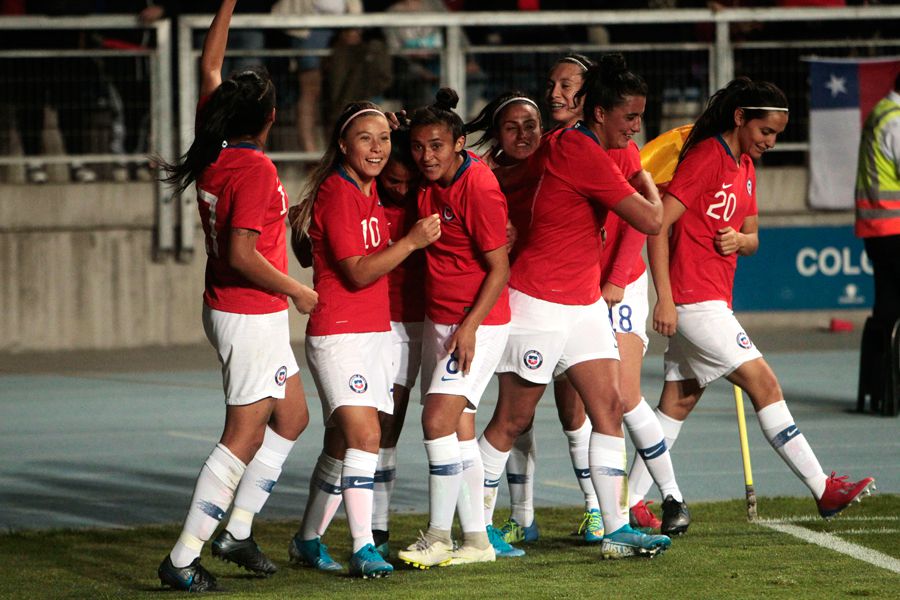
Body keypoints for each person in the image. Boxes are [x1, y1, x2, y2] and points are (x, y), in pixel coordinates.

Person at [640, 76, 875, 522]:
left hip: (714, 299)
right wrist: (664, 299)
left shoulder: (745, 167)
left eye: (776, 136)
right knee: (765, 384)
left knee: (678, 401)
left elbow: (753, 238)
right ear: (740, 118)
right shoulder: (707, 157)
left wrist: (738, 242)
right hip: (694, 301)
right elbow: (657, 225)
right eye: (765, 132)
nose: (770, 142)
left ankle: (628, 500)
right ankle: (822, 487)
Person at [479, 55, 672, 561]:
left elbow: (519, 179)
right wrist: (649, 184)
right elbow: (652, 220)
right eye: (630, 117)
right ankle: (476, 527)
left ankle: (616, 529)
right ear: (602, 112)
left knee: (607, 407)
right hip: (538, 302)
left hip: (584, 304)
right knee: (511, 421)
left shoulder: (567, 145)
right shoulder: (583, 152)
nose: (636, 127)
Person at [155, 1, 318, 592]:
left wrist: (226, 4)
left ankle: (238, 529)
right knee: (242, 435)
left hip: (241, 310)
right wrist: (299, 289)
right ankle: (182, 556)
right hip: (249, 312)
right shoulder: (251, 170)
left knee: (293, 416)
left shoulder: (214, 145)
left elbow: (209, 65)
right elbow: (243, 255)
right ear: (270, 118)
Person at [286, 101, 440, 578]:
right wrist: (412, 242)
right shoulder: (339, 192)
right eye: (365, 139)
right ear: (342, 144)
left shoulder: (367, 188)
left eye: (383, 139)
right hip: (341, 333)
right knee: (367, 436)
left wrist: (402, 128)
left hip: (372, 334)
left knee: (341, 443)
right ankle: (362, 546)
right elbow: (355, 273)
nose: (377, 149)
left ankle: (308, 539)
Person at [396, 88, 512, 569]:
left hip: (475, 324)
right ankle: (478, 541)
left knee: (436, 421)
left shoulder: (477, 186)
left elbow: (499, 267)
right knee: (459, 432)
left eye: (437, 146)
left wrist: (469, 329)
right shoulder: (428, 177)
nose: (426, 156)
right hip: (441, 318)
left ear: (459, 143)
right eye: (419, 146)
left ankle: (439, 536)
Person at [372, 125, 426, 558]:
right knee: (372, 428)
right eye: (394, 182)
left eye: (410, 183)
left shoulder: (428, 200)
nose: (403, 190)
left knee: (395, 426)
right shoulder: (360, 198)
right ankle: (373, 530)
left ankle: (377, 529)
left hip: (419, 323)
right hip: (376, 324)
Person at [855, 72, 900, 417]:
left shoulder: (881, 111)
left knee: (886, 308)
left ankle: (881, 389)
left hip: (878, 228)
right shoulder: (895, 120)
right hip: (894, 227)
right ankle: (889, 389)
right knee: (888, 310)